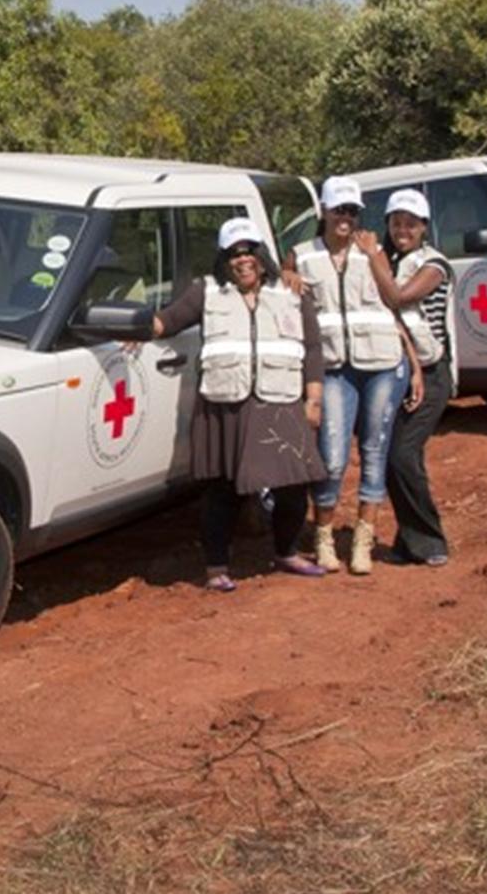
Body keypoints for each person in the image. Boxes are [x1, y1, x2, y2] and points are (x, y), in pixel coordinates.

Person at [149, 216, 330, 592]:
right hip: (225, 406)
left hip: (279, 402)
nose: (243, 259)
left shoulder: (291, 291)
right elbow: (167, 321)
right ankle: (216, 567)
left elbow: (313, 348)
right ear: (223, 259)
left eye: (249, 251)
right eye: (234, 253)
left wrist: (313, 399)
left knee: (293, 487)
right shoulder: (207, 291)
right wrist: (132, 331)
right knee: (223, 490)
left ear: (262, 255)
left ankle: (286, 552)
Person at [289, 177, 423, 575]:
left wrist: (414, 365)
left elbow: (393, 304)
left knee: (374, 451)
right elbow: (283, 284)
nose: (345, 218)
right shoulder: (302, 255)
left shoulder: (372, 250)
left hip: (382, 363)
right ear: (324, 212)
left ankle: (363, 541)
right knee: (331, 457)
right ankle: (324, 537)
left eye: (352, 211)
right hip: (333, 368)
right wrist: (286, 275)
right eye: (339, 210)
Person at [352, 189, 453, 566]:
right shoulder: (390, 260)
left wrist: (372, 256)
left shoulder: (434, 264)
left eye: (411, 224)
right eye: (396, 223)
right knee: (390, 453)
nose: (402, 230)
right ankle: (410, 542)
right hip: (395, 368)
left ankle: (430, 540)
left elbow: (397, 297)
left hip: (432, 373)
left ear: (424, 227)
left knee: (402, 454)